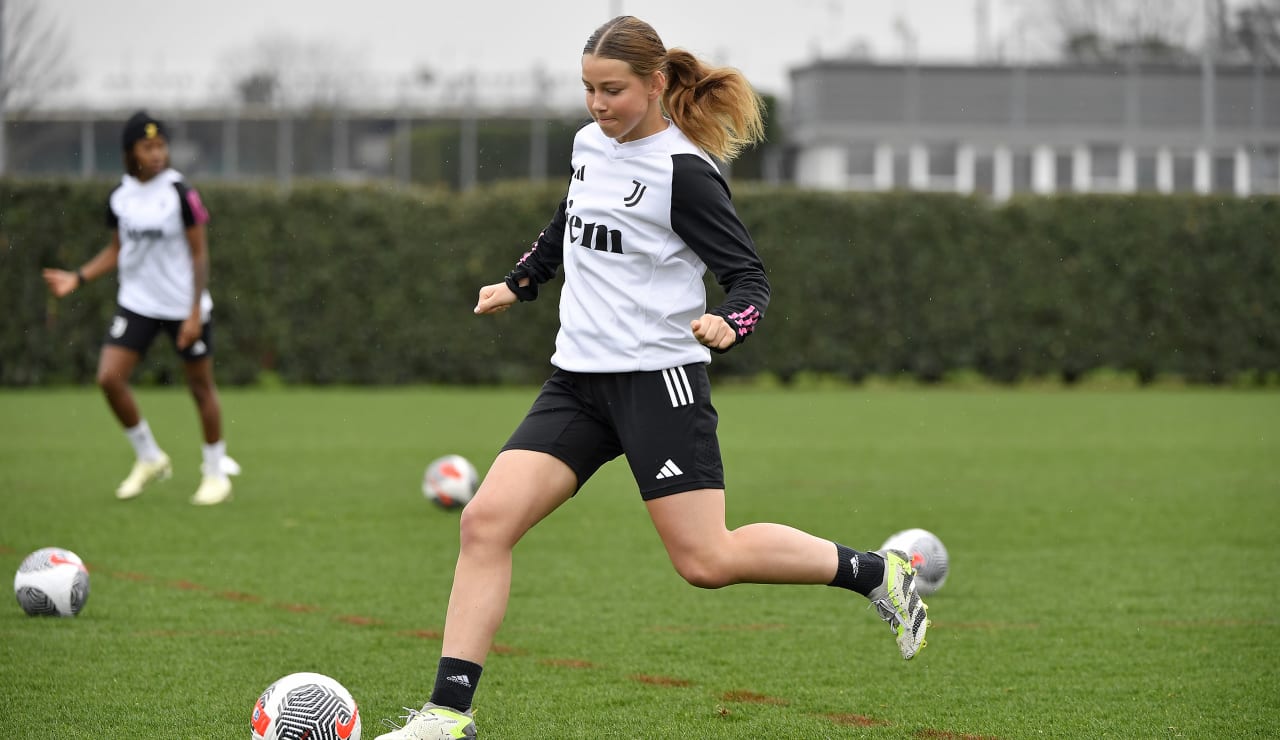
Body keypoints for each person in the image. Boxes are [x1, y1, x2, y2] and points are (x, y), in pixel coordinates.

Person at [376, 16, 929, 739]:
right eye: (588, 89)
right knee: (484, 523)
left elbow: (750, 278)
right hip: (576, 382)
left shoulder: (684, 173)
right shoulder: (587, 146)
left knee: (706, 561)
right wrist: (522, 281)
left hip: (658, 384)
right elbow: (567, 218)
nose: (597, 104)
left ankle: (874, 571)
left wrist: (731, 323)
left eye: (613, 90)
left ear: (657, 84)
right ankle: (448, 716)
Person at [42, 110, 239, 506]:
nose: (156, 153)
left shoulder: (181, 192)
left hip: (183, 304)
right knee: (109, 379)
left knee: (200, 388)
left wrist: (194, 311)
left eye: (161, 145)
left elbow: (200, 254)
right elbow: (118, 249)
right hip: (138, 304)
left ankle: (215, 472)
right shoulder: (120, 196)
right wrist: (77, 277)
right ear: (130, 151)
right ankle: (149, 457)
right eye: (147, 146)